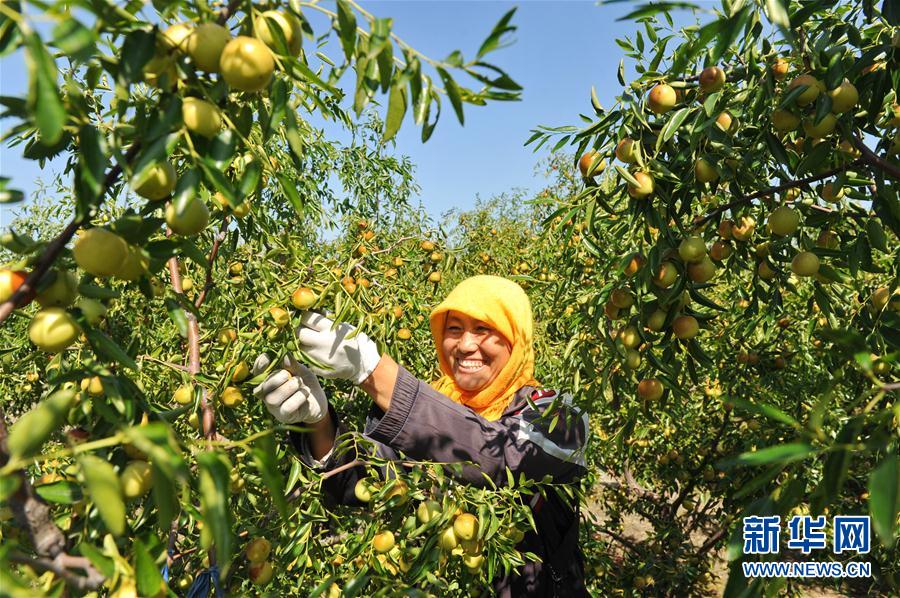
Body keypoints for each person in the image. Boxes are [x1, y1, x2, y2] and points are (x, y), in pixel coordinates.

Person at [253, 275, 590, 596]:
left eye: (484, 329)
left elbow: (502, 460)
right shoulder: (434, 409)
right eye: (454, 329)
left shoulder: (558, 415)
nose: (466, 344)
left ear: (515, 338)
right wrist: (318, 422)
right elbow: (371, 482)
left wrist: (372, 371)